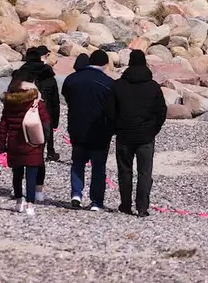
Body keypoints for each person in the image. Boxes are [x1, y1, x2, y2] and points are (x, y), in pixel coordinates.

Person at [111, 50, 168, 217]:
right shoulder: (152, 87)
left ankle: (126, 204)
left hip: (124, 135)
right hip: (146, 136)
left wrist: (116, 128)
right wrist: (153, 130)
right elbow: (161, 112)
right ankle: (142, 207)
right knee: (144, 173)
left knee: (125, 171)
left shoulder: (119, 85)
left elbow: (110, 111)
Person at [61, 51, 117, 209]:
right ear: (105, 65)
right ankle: (96, 201)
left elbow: (67, 97)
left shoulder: (72, 79)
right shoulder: (108, 83)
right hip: (100, 130)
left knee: (77, 163)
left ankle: (76, 194)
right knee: (98, 167)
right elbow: (112, 109)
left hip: (77, 126)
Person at [0, 74, 47, 215]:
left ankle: (19, 201)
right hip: (33, 143)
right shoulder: (36, 103)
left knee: (17, 174)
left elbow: (3, 127)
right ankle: (30, 205)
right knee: (32, 175)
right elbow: (45, 122)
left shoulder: (9, 104)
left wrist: (1, 147)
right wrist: (44, 140)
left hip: (14, 143)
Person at [11, 45, 62, 161]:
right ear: (46, 55)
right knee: (45, 129)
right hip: (44, 107)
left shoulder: (23, 71)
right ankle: (48, 151)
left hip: (25, 106)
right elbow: (55, 102)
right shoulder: (48, 75)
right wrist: (56, 122)